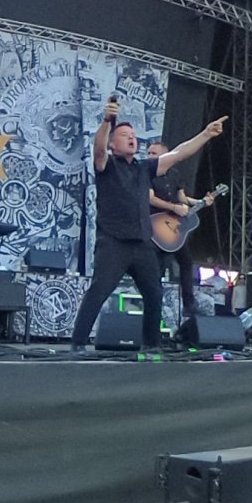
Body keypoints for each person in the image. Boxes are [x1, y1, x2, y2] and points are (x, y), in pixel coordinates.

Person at [71, 101, 221, 352]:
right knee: (99, 290)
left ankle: (151, 345)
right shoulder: (107, 165)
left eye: (133, 135)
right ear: (113, 144)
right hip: (114, 242)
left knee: (154, 294)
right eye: (124, 135)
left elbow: (179, 153)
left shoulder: (144, 168)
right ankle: (78, 343)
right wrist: (107, 122)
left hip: (142, 243)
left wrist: (205, 134)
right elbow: (98, 149)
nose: (131, 138)